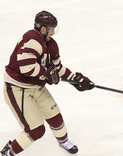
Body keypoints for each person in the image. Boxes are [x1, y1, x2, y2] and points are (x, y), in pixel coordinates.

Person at [1, 11, 95, 156]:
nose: (53, 33)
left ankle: (63, 141)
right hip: (17, 88)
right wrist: (46, 73)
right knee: (36, 130)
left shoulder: (51, 45)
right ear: (43, 28)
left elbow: (57, 68)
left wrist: (76, 79)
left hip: (36, 87)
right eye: (51, 29)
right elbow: (25, 67)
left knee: (55, 117)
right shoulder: (32, 39)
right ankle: (8, 152)